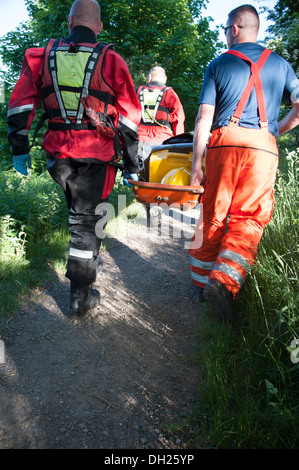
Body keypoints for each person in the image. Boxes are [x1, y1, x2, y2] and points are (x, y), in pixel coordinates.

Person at [7, 0, 141, 317]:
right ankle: (79, 297)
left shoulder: (41, 57)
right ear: (99, 26)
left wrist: (19, 148)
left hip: (59, 156)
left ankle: (80, 285)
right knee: (85, 223)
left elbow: (19, 104)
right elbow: (130, 119)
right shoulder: (111, 60)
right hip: (96, 155)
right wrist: (133, 164)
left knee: (80, 219)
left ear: (69, 22)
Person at [189, 4, 299, 321]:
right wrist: (276, 129)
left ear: (234, 29)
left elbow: (203, 118)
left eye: (225, 30)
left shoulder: (219, 63)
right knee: (250, 218)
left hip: (225, 144)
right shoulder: (282, 65)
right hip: (264, 147)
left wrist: (197, 162)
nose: (225, 36)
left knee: (213, 213)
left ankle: (199, 286)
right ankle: (223, 283)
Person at [136, 66, 185, 163]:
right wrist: (179, 143)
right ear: (165, 79)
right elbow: (178, 119)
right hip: (162, 142)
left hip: (139, 141)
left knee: (136, 174)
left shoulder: (139, 92)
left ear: (150, 77)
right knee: (159, 174)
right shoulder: (170, 93)